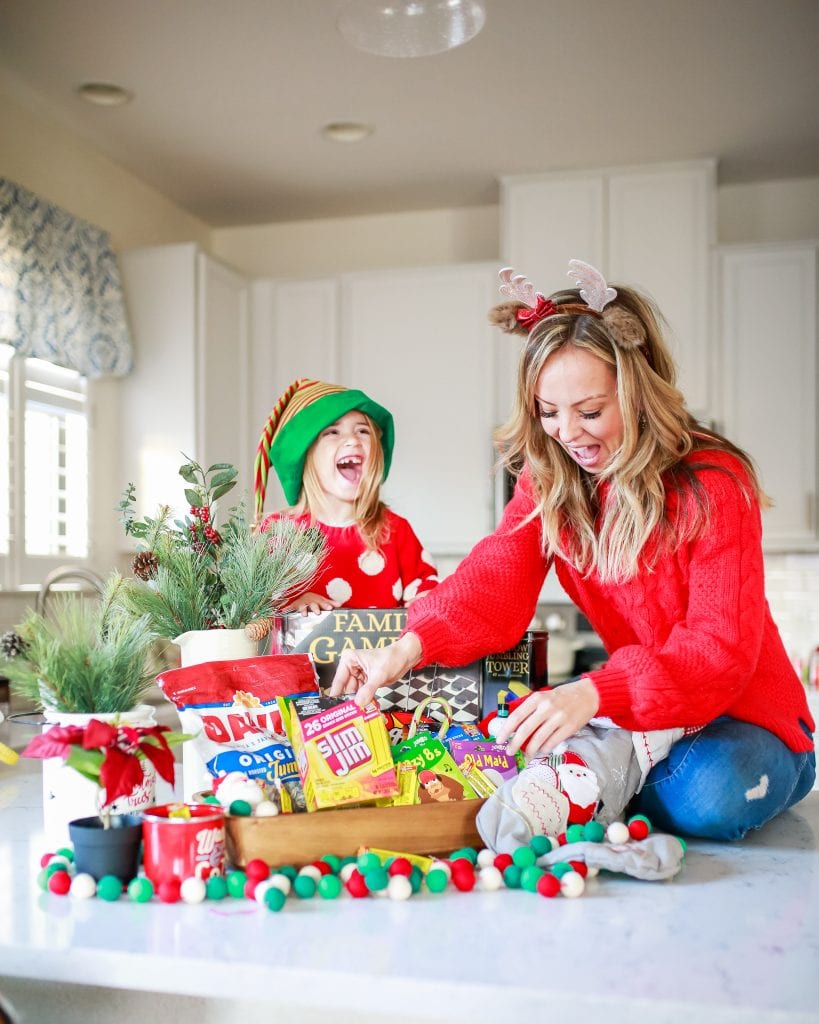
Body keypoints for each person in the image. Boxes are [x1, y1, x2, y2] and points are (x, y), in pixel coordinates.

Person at [329, 259, 816, 842]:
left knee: (705, 794)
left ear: (638, 393)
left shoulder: (713, 480)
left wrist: (595, 693)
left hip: (744, 717)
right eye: (548, 412)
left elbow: (718, 650)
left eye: (590, 412)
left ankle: (606, 791)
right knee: (615, 775)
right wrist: (404, 648)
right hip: (646, 717)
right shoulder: (554, 478)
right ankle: (604, 788)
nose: (568, 433)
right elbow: (496, 578)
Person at [254, 378, 438, 613]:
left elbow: (428, 597)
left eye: (363, 430)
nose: (352, 440)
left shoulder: (395, 532)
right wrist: (289, 604)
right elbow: (248, 612)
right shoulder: (276, 534)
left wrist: (426, 604)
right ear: (305, 457)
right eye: (332, 432)